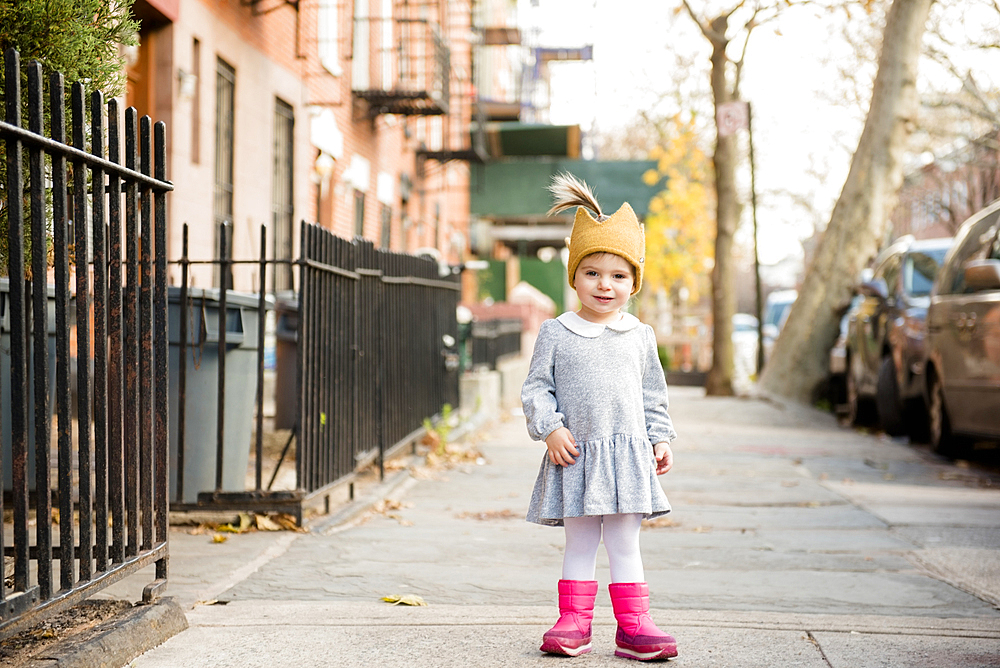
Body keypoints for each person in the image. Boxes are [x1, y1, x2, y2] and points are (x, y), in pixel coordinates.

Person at [521, 173, 678, 661]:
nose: (604, 285)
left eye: (618, 276)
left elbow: (653, 393)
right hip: (577, 455)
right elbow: (535, 389)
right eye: (592, 273)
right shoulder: (556, 332)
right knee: (582, 540)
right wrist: (550, 427)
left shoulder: (640, 335)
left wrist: (660, 438)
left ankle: (634, 626)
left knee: (625, 541)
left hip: (628, 455)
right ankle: (575, 622)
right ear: (574, 276)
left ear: (633, 281)